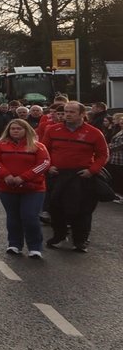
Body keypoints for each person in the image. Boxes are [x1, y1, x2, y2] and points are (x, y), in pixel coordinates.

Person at [44, 101, 110, 253]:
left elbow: (103, 155)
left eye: (72, 112)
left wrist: (92, 171)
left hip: (82, 176)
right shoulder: (53, 130)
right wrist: (49, 166)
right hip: (58, 174)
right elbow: (43, 151)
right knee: (55, 207)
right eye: (66, 111)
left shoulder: (93, 132)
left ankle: (80, 240)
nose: (67, 114)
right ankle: (59, 236)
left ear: (82, 114)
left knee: (82, 210)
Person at [0, 118, 49, 257]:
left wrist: (23, 177)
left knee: (30, 216)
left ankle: (35, 247)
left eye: (19, 128)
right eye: (13, 128)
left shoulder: (38, 146)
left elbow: (44, 163)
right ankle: (14, 244)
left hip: (33, 188)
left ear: (26, 130)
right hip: (7, 187)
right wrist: (6, 175)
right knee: (13, 216)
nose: (15, 131)